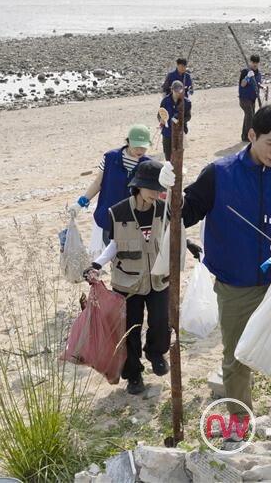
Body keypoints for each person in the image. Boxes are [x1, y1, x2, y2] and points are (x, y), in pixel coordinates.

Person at [158, 104, 271, 448]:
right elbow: (185, 213)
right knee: (237, 356)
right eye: (270, 143)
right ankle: (240, 423)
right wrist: (170, 192)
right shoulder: (219, 174)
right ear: (252, 135)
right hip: (235, 286)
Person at [83, 161, 171, 395]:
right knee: (130, 329)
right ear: (138, 187)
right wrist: (96, 264)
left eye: (159, 187)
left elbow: (172, 235)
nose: (156, 192)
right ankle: (134, 374)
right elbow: (114, 244)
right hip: (128, 282)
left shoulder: (164, 209)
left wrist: (189, 245)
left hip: (158, 278)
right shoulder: (119, 212)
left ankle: (155, 352)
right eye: (152, 187)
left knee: (162, 322)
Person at [71, 125, 152, 246]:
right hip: (109, 217)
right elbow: (98, 183)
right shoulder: (110, 157)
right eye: (137, 146)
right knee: (113, 258)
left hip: (133, 221)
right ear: (128, 141)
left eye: (143, 147)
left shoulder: (147, 164)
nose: (140, 150)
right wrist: (81, 202)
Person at [158, 80, 189, 161]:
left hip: (180, 132)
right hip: (167, 132)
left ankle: (178, 172)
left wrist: (180, 121)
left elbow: (188, 116)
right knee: (168, 155)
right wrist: (161, 120)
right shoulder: (165, 101)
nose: (178, 93)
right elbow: (160, 114)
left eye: (180, 91)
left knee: (179, 155)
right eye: (176, 91)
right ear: (172, 90)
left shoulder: (187, 102)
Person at [238, 54, 263, 142]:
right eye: (253, 62)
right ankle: (249, 136)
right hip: (244, 98)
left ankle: (244, 136)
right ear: (250, 62)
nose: (254, 64)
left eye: (256, 62)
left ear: (258, 63)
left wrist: (262, 88)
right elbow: (242, 84)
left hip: (253, 99)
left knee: (248, 116)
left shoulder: (258, 73)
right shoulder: (245, 71)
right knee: (250, 116)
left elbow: (258, 84)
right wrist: (247, 76)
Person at [162, 58, 194, 122]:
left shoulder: (187, 76)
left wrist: (190, 90)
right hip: (172, 101)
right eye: (181, 66)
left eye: (184, 66)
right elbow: (165, 88)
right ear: (177, 65)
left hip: (183, 102)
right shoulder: (171, 75)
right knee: (171, 119)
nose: (183, 68)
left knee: (182, 119)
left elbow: (190, 88)